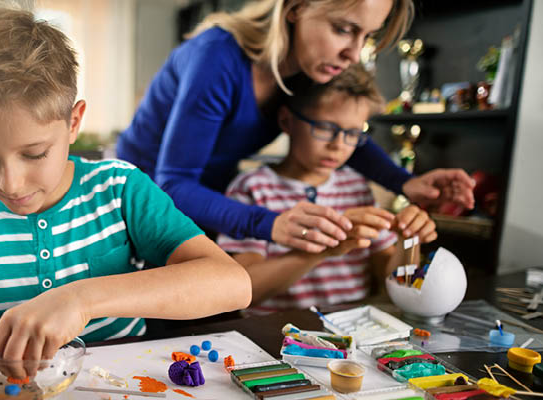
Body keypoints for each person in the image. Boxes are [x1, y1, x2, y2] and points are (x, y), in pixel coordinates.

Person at [0, 4, 252, 399]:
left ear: (73, 122)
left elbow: (233, 285)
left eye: (34, 154)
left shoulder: (119, 189)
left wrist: (81, 298)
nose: (10, 183)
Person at [117, 0, 473, 253]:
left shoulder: (309, 66)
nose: (354, 53)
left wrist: (405, 182)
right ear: (295, 8)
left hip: (206, 197)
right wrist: (271, 224)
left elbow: (342, 133)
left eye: (366, 36)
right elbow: (173, 184)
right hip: (136, 201)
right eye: (343, 30)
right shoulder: (218, 58)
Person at [218, 63, 435, 312]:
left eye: (352, 133)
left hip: (352, 333)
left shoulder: (356, 187)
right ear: (287, 121)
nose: (338, 146)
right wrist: (321, 250)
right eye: (324, 128)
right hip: (277, 336)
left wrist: (409, 240)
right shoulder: (252, 188)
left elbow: (393, 285)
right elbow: (246, 289)